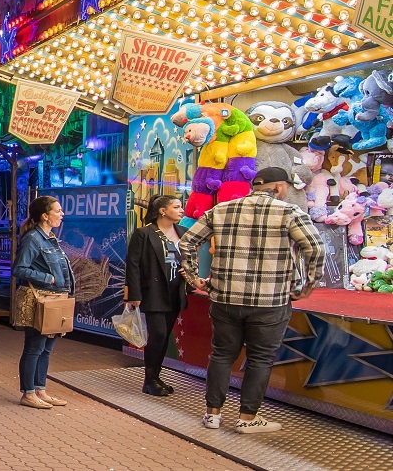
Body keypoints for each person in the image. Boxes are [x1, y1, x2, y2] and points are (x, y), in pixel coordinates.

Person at [179, 166, 324, 434]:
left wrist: (193, 277)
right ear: (279, 187)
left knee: (221, 354)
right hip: (271, 301)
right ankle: (248, 418)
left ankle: (213, 415)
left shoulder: (221, 210)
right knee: (260, 358)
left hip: (225, 298)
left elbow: (187, 242)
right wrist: (308, 284)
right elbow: (315, 247)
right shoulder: (290, 213)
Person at [125, 193, 189, 397]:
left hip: (175, 290)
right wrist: (133, 293)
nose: (181, 210)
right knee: (158, 333)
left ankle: (156, 376)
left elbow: (190, 258)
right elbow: (133, 264)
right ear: (163, 211)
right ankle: (149, 379)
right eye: (177, 207)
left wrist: (189, 272)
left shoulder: (183, 232)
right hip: (153, 291)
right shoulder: (144, 233)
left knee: (164, 336)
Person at [14, 195, 74, 410]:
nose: (62, 214)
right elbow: (19, 269)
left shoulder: (50, 238)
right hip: (39, 298)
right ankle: (28, 393)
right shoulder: (33, 239)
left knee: (47, 348)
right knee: (35, 347)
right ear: (45, 216)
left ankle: (41, 389)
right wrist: (48, 278)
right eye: (57, 211)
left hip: (54, 298)